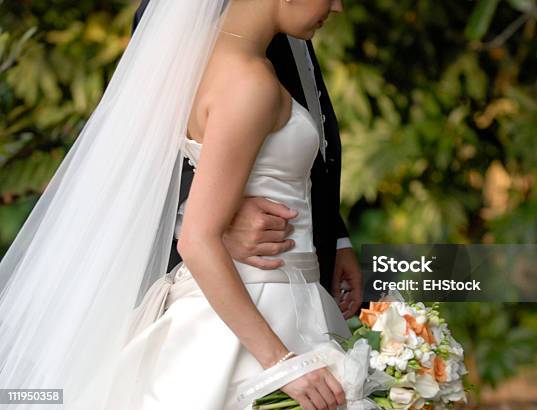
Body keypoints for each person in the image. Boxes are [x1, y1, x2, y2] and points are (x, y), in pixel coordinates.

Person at [0, 1, 369, 410]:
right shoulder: (248, 81)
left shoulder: (209, 63)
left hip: (271, 293)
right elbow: (194, 235)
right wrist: (282, 364)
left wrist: (333, 238)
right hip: (260, 300)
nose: (337, 6)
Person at [133, 0, 363, 320]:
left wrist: (334, 238)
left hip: (299, 269)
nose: (339, 7)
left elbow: (296, 149)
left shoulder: (273, 33)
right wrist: (215, 216)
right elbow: (145, 140)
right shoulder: (183, 12)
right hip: (236, 284)